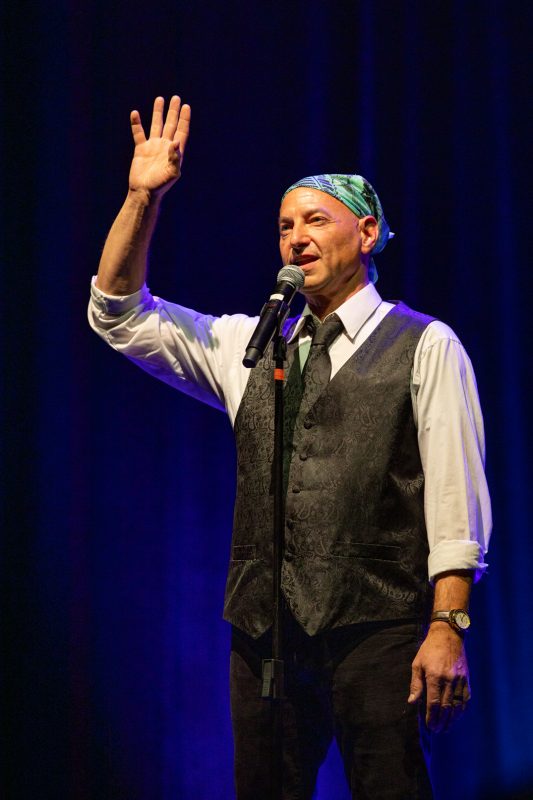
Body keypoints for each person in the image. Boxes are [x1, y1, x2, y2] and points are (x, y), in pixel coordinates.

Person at [88, 95, 491, 799]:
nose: (295, 238)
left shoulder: (424, 345)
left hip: (379, 626)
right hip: (265, 635)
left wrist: (446, 625)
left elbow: (456, 500)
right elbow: (118, 315)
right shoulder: (250, 344)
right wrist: (139, 199)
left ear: (366, 233)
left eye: (314, 221)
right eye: (283, 226)